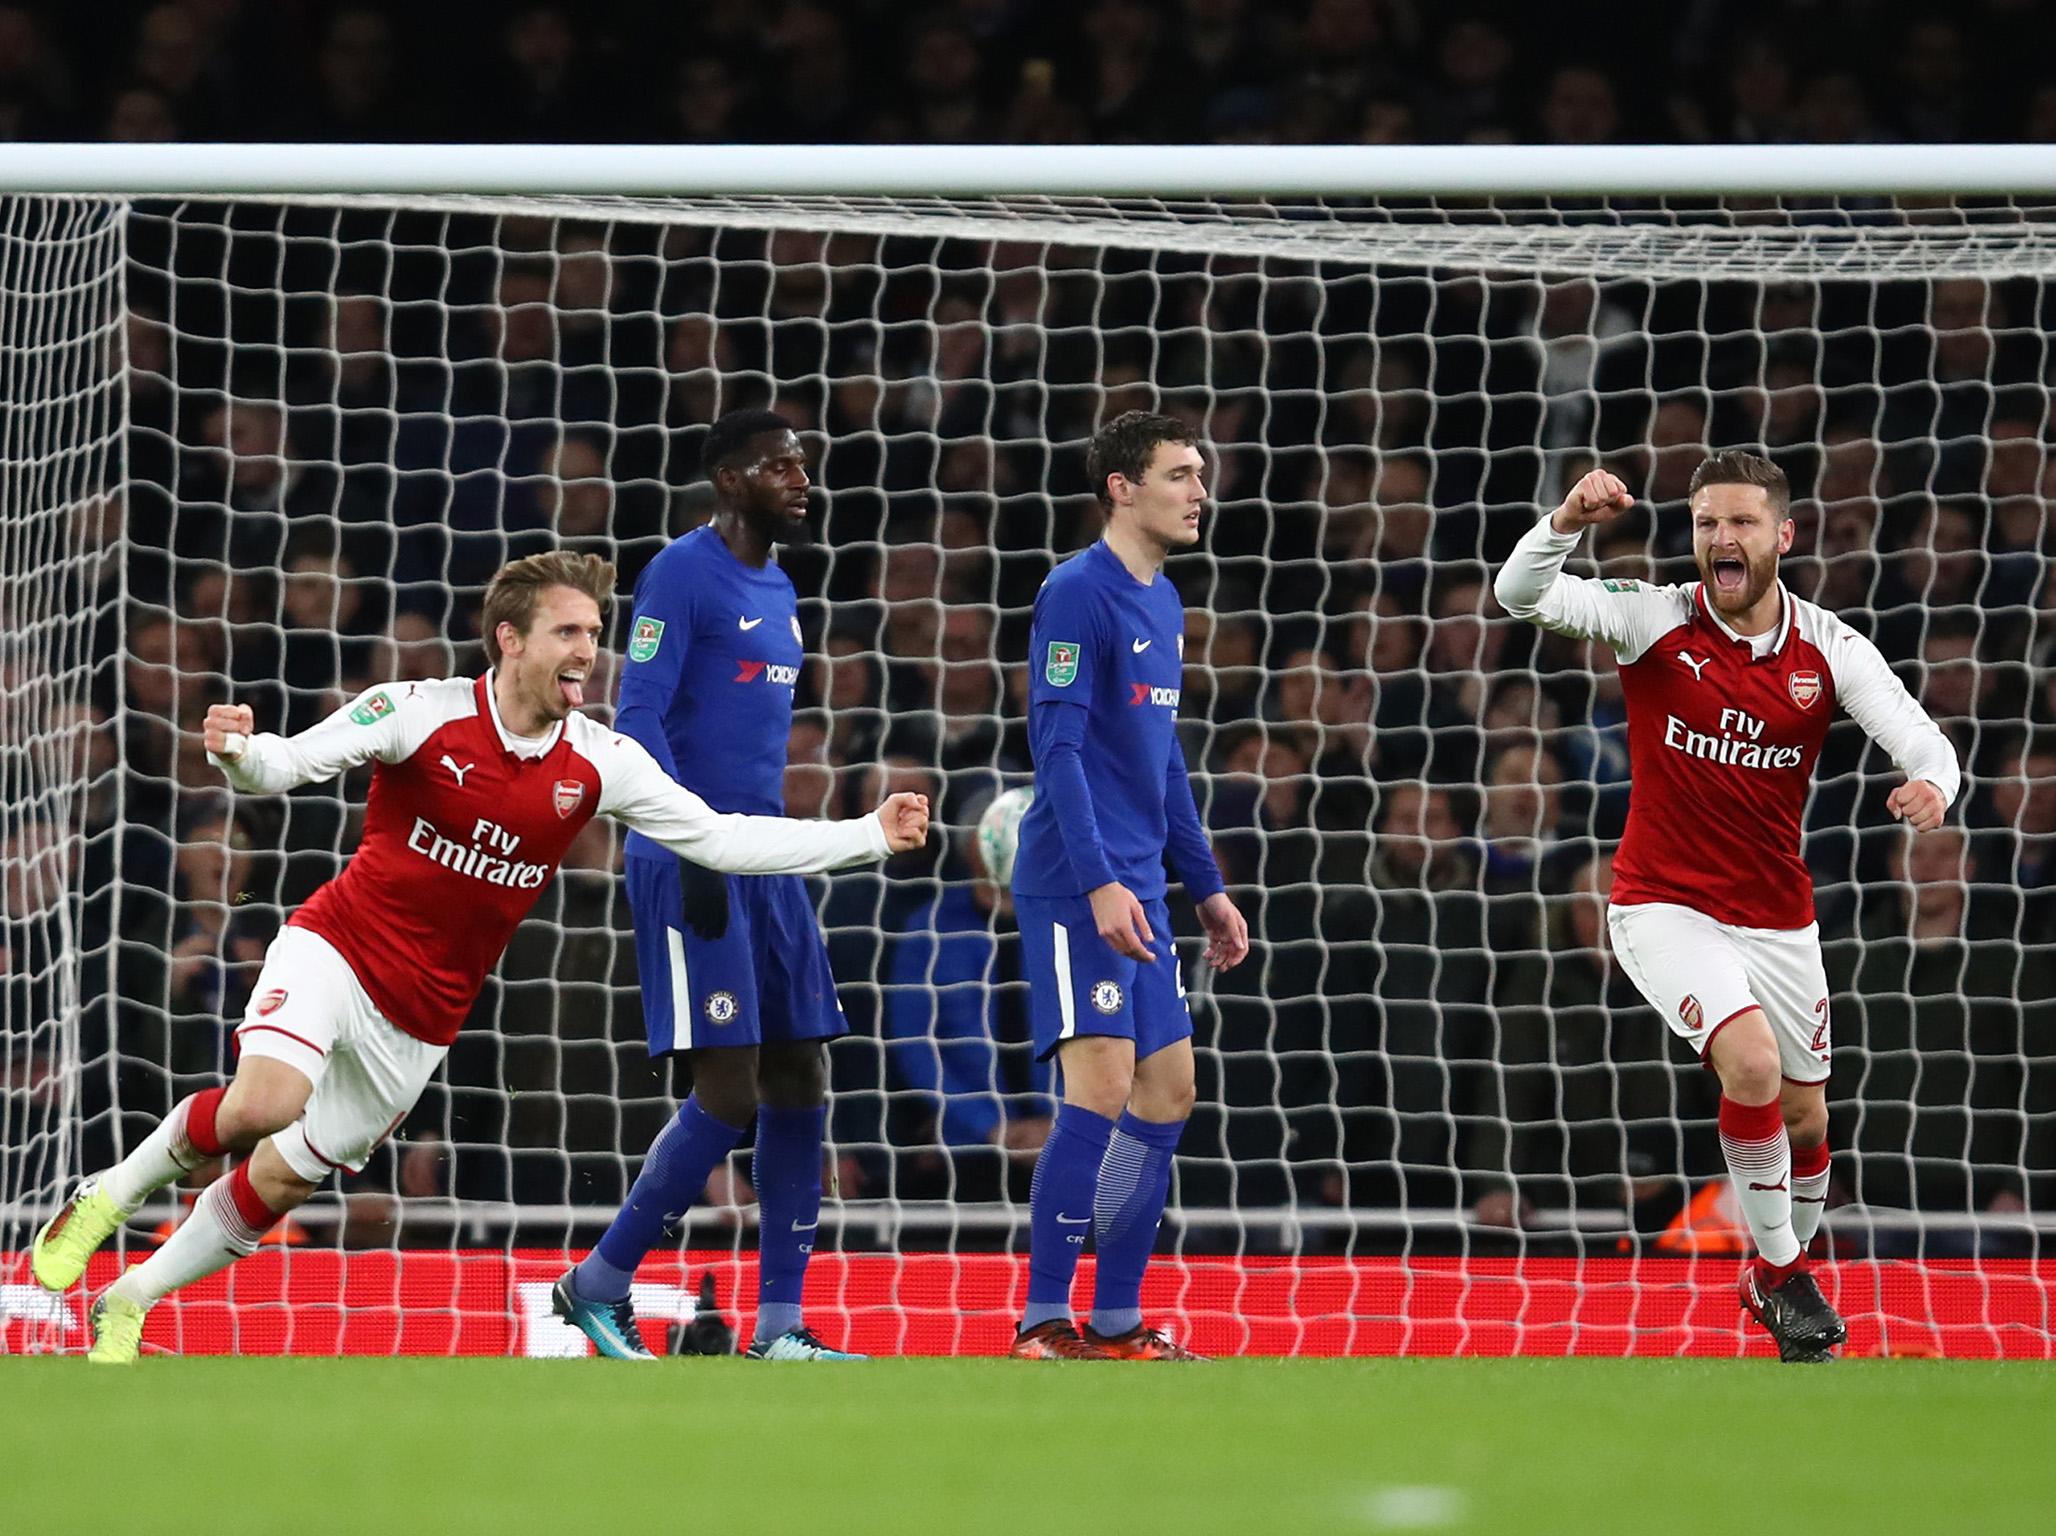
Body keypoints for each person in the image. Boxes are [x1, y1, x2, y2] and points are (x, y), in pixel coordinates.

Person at [31, 550, 929, 1364]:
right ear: (510, 638)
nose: (588, 650)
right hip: (336, 951)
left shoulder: (600, 761)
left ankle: (131, 1299)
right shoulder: (419, 712)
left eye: (594, 634)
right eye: (567, 631)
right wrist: (237, 755)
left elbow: (723, 839)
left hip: (421, 1023)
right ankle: (103, 1199)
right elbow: (287, 766)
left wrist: (866, 835)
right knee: (265, 1105)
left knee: (282, 1176)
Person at [1494, 453, 1959, 1363]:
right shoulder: (1652, 617)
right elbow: (1520, 594)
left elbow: (1921, 737)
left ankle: (1779, 1271)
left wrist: (1932, 786)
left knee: (1808, 1120)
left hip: (1777, 914)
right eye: (1708, 524)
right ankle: (1784, 1279)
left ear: (1783, 536)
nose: (1721, 540)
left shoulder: (1828, 646)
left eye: (1742, 523)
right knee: (1747, 1064)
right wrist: (1567, 521)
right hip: (1661, 905)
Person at [554, 408, 876, 1363]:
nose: (800, 479)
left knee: (801, 1074)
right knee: (729, 1090)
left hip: (763, 855)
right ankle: (598, 1282)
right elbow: (637, 718)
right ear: (730, 480)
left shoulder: (780, 587)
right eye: (780, 465)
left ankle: (779, 1328)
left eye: (803, 464)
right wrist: (686, 842)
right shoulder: (681, 573)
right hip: (688, 856)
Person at [1008, 410, 1249, 1361]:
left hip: (1142, 884)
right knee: (1103, 1083)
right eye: (1180, 474)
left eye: (1201, 474)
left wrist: (1207, 886)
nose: (1199, 491)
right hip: (1077, 883)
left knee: (1169, 1090)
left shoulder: (1164, 601)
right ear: (1122, 487)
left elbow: (1163, 764)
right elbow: (1057, 750)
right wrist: (1105, 882)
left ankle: (1113, 1322)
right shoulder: (1076, 593)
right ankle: (1040, 1320)